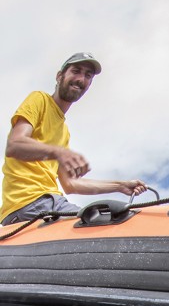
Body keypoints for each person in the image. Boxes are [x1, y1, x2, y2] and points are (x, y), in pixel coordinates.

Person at [1, 52, 147, 225]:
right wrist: (58, 152)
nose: (81, 79)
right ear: (59, 76)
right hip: (31, 203)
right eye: (76, 71)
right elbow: (14, 145)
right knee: (100, 224)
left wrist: (119, 186)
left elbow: (70, 184)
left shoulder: (64, 131)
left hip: (49, 203)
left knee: (105, 218)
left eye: (88, 76)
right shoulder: (39, 99)